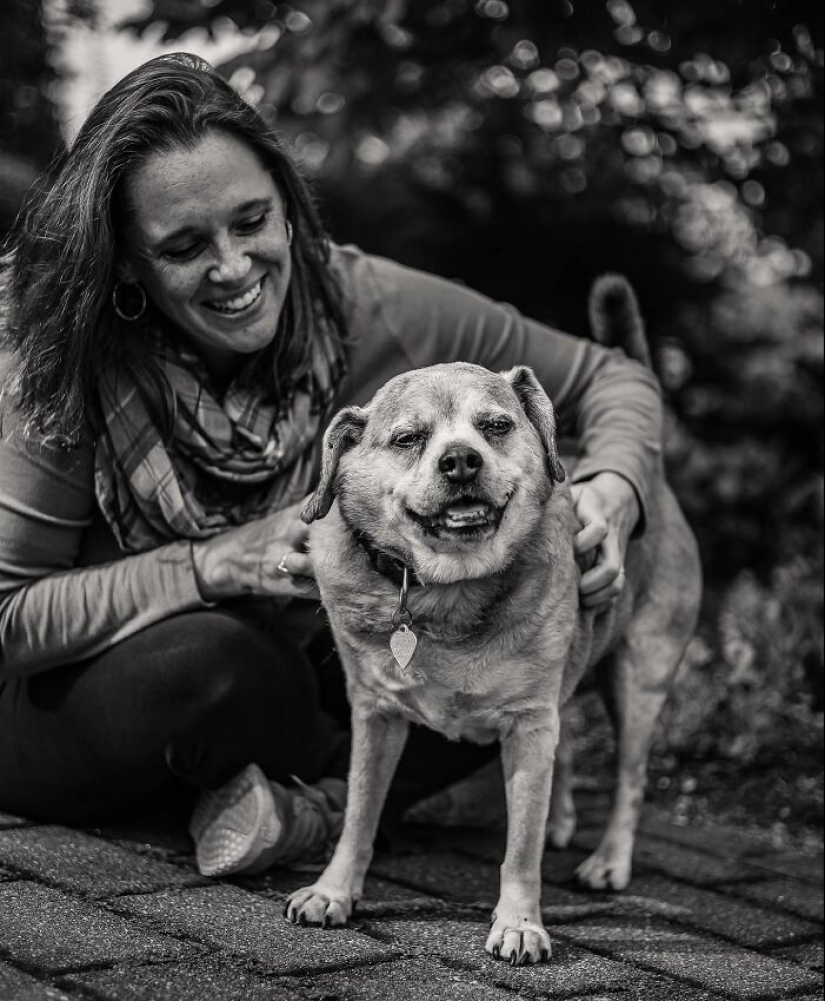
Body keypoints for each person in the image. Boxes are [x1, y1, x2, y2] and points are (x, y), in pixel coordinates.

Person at [0, 53, 661, 878]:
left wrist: (617, 487)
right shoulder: (57, 362)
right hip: (76, 696)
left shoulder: (373, 304)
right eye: (183, 246)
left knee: (492, 632)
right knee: (216, 663)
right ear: (127, 261)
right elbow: (9, 618)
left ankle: (304, 809)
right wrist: (214, 563)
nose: (235, 267)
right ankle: (294, 799)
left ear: (287, 208)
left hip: (303, 676)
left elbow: (612, 375)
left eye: (251, 221)